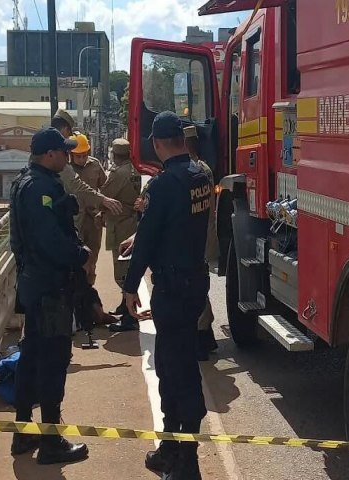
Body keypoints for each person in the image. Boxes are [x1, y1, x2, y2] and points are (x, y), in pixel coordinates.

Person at [123, 111, 211, 479]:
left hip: (173, 289)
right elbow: (170, 229)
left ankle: (185, 461)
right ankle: (170, 449)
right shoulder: (201, 176)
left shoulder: (163, 185)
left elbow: (148, 242)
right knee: (177, 365)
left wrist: (129, 287)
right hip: (195, 283)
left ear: (158, 145)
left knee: (176, 372)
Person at [9, 127, 89, 464]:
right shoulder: (41, 187)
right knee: (53, 363)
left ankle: (23, 432)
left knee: (30, 358)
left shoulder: (24, 181)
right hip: (49, 288)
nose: (68, 157)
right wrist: (79, 254)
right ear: (49, 155)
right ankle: (51, 442)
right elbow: (49, 241)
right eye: (64, 152)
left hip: (34, 285)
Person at [51, 109, 118, 327]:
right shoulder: (61, 165)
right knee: (74, 269)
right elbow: (77, 186)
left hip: (92, 223)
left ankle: (87, 310)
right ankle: (79, 314)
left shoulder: (93, 165)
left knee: (90, 265)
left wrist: (101, 205)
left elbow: (102, 184)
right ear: (64, 130)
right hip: (71, 224)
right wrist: (103, 200)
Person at [97, 138, 142, 332]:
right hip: (131, 222)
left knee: (121, 271)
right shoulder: (134, 171)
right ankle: (125, 306)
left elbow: (104, 196)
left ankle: (129, 316)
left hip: (120, 224)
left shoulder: (118, 173)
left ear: (114, 155)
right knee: (127, 266)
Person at [183, 126, 219, 361]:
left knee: (195, 289)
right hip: (203, 235)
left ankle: (202, 336)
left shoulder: (194, 170)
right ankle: (206, 336)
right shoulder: (202, 168)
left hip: (197, 238)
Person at [69, 132, 107, 286]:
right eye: (78, 156)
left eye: (85, 155)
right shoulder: (65, 170)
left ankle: (89, 290)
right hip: (74, 221)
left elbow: (105, 187)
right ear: (71, 155)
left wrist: (101, 210)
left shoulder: (95, 165)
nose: (82, 158)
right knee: (76, 259)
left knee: (92, 257)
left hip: (93, 221)